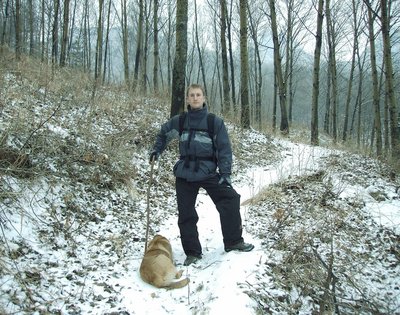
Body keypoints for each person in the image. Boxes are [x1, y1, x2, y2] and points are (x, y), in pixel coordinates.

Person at [149, 84, 254, 266]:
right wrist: (156, 150)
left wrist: (225, 173)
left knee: (230, 198)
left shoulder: (214, 122)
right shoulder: (180, 121)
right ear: (188, 99)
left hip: (208, 170)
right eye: (192, 95)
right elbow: (163, 134)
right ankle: (192, 253)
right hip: (185, 172)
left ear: (204, 98)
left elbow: (224, 149)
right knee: (186, 213)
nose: (195, 98)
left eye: (198, 95)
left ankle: (233, 241)